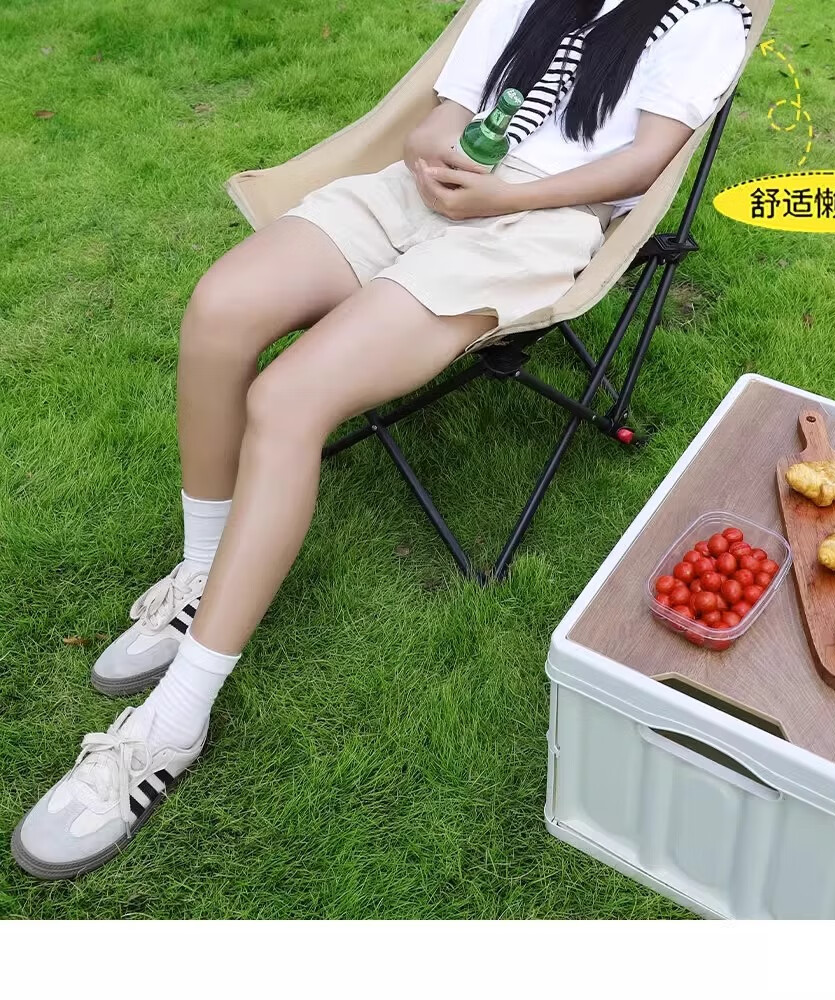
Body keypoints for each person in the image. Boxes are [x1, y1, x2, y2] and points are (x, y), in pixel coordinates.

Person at [11, 0, 749, 878]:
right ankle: (202, 577)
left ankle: (172, 724)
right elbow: (449, 109)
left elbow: (644, 161)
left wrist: (507, 195)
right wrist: (432, 152)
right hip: (426, 191)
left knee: (287, 399)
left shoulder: (704, 19)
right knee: (220, 308)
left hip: (538, 221)